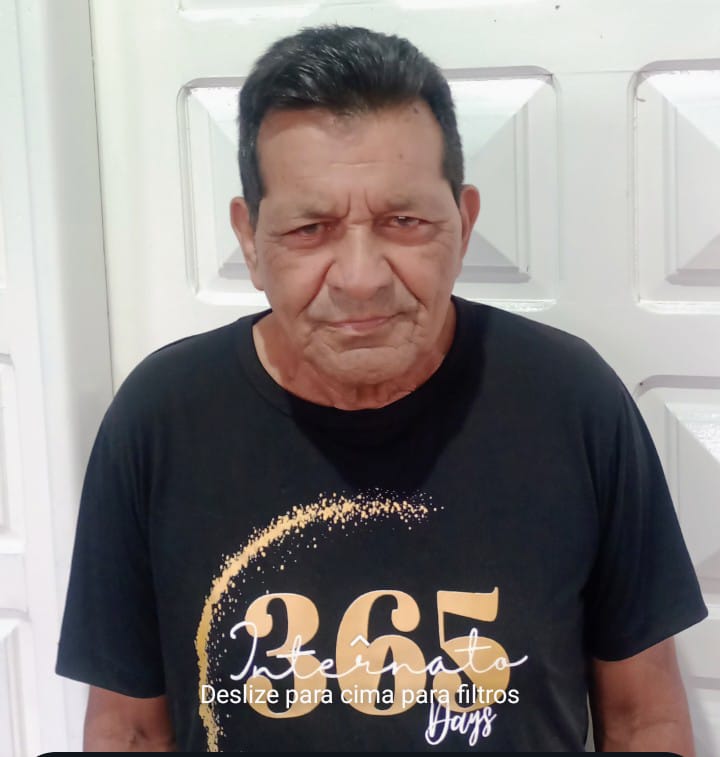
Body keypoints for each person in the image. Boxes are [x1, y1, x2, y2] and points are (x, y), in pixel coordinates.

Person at [56, 25, 707, 753]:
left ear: (463, 223)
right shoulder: (159, 420)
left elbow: (645, 718)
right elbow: (128, 729)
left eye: (404, 221)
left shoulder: (572, 401)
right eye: (310, 228)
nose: (361, 278)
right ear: (249, 239)